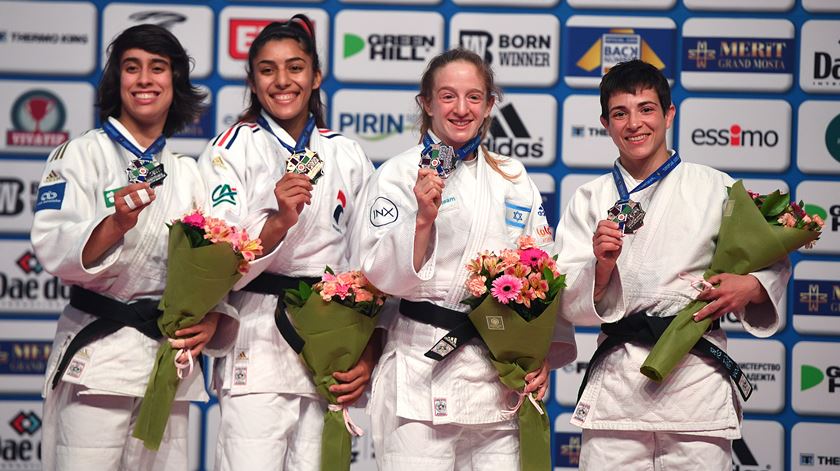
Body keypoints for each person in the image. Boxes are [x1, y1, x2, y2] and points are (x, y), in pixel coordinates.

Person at [553, 59, 790, 469]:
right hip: (619, 384)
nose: (634, 124)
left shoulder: (715, 187)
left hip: (695, 381)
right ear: (605, 123)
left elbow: (770, 260)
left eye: (646, 109)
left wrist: (751, 287)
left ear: (669, 114)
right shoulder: (589, 198)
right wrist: (601, 267)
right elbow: (566, 300)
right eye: (620, 113)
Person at [357, 48, 576, 470]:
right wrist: (422, 220)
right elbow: (377, 275)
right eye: (447, 96)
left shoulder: (512, 177)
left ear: (490, 104)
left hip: (498, 374)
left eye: (474, 97)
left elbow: (543, 270)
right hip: (421, 368)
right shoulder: (398, 174)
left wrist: (539, 352)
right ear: (426, 102)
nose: (462, 109)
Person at [31, 24, 237, 470]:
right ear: (116, 80)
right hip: (99, 361)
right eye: (132, 67)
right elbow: (52, 245)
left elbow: (209, 266)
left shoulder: (188, 173)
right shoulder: (79, 155)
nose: (145, 79)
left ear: (175, 82)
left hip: (166, 365)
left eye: (157, 68)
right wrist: (115, 224)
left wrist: (214, 317)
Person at [196, 15, 375, 470]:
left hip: (328, 344)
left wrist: (367, 348)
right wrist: (277, 223)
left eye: (295, 68)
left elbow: (371, 262)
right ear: (253, 81)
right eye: (267, 69)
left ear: (315, 76)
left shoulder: (346, 153)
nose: (282, 81)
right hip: (255, 342)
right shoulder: (229, 150)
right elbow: (212, 260)